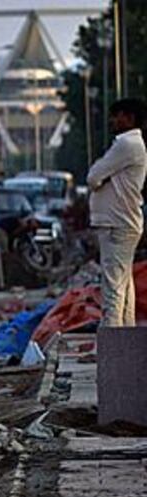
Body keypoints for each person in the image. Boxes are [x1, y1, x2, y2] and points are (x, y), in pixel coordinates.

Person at [87, 98, 147, 327]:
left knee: (112, 289)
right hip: (124, 223)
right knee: (123, 286)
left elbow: (93, 177)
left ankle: (112, 351)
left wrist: (101, 180)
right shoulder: (133, 145)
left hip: (117, 224)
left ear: (129, 118)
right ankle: (125, 344)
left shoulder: (126, 144)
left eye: (117, 115)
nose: (112, 120)